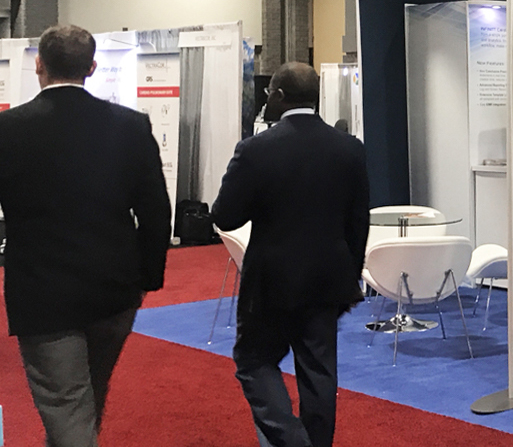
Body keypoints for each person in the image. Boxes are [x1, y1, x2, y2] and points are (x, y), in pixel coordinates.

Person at [0, 25, 172, 447]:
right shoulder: (131, 126)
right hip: (114, 290)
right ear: (92, 67)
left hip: (41, 292)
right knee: (86, 398)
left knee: (68, 407)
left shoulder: (8, 129)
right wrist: (147, 278)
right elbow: (156, 211)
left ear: (38, 65)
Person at [213, 62, 370, 447]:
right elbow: (358, 221)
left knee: (254, 361)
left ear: (279, 96)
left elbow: (225, 216)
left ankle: (292, 439)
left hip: (271, 282)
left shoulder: (255, 149)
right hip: (328, 280)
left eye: (269, 94)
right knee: (319, 371)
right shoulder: (349, 148)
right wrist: (349, 276)